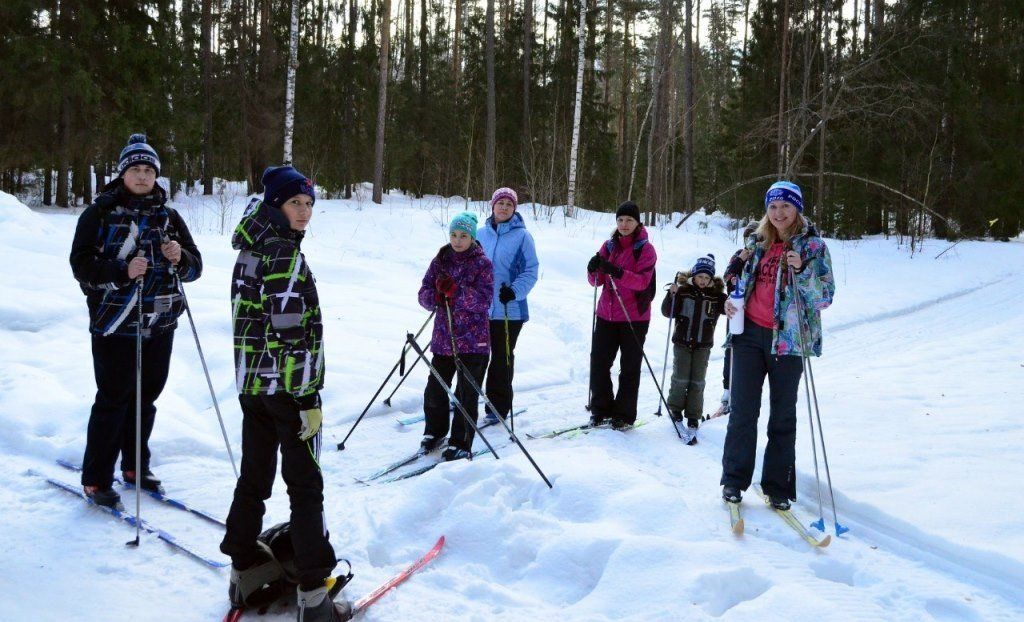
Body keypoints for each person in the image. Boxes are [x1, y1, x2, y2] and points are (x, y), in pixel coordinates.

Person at [220, 166, 350, 622]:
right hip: (286, 390)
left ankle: (245, 566)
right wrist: (308, 397)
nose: (305, 212)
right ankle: (315, 594)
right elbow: (291, 335)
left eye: (310, 203)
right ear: (275, 204)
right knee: (305, 486)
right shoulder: (282, 255)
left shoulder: (252, 249)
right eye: (296, 203)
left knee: (254, 477)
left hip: (253, 386)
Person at [70, 133, 203, 509]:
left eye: (149, 170)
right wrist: (122, 270)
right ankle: (96, 478)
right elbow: (81, 266)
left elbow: (196, 267)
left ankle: (135, 467)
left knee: (147, 397)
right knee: (113, 399)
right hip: (115, 324)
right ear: (123, 173)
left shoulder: (169, 217)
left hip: (160, 323)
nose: (143, 176)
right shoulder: (99, 213)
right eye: (136, 169)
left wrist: (181, 258)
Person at [720, 181, 834, 511]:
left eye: (785, 206)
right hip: (748, 337)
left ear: (797, 208)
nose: (779, 213)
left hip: (789, 341)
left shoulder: (812, 247)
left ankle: (777, 486)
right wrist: (731, 302)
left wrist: (802, 270)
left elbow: (824, 297)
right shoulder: (755, 241)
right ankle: (733, 480)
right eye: (773, 207)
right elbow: (737, 283)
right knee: (742, 411)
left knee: (782, 416)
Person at [416, 211, 494, 460]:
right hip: (444, 339)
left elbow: (484, 301)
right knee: (435, 389)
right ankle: (435, 431)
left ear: (472, 237)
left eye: (463, 236)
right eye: (453, 235)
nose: (457, 240)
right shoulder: (440, 260)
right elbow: (423, 293)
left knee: (466, 393)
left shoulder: (483, 264)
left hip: (474, 341)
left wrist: (456, 292)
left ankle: (460, 441)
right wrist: (436, 297)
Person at [586, 201, 658, 429]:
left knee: (629, 367)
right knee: (598, 363)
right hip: (606, 314)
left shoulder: (645, 249)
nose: (624, 224)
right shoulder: (608, 246)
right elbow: (596, 282)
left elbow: (642, 282)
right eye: (620, 220)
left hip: (633, 317)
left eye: (629, 220)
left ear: (638, 223)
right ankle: (601, 408)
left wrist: (616, 271)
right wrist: (593, 269)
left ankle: (624, 414)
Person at [476, 188, 539, 424]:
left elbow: (531, 270)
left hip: (509, 310)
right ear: (492, 206)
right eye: (500, 203)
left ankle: (497, 406)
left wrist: (514, 291)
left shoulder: (523, 236)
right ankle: (467, 396)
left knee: (502, 358)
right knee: (476, 356)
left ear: (514, 209)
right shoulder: (480, 234)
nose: (504, 207)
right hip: (480, 309)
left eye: (508, 204)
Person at [660, 254, 726, 444]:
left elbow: (729, 308)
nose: (703, 281)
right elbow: (667, 312)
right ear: (693, 276)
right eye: (700, 277)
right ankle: (675, 408)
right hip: (682, 342)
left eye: (707, 278)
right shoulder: (683, 291)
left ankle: (693, 415)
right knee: (680, 377)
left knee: (697, 381)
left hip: (703, 345)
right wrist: (671, 294)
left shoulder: (716, 296)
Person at [713, 222, 757, 418]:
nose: (752, 241)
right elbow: (728, 278)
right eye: (749, 237)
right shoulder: (739, 255)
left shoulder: (764, 256)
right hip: (737, 309)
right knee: (731, 349)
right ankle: (727, 392)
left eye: (756, 236)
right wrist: (740, 259)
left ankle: (745, 392)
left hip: (757, 312)